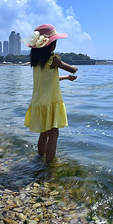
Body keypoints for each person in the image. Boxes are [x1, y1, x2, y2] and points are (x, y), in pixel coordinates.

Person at [24, 24, 78, 163]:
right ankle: (49, 165)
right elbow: (72, 69)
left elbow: (48, 79)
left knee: (44, 133)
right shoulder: (53, 59)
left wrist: (65, 78)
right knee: (54, 134)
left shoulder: (36, 62)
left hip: (38, 102)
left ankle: (39, 158)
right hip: (51, 102)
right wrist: (73, 68)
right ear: (51, 44)